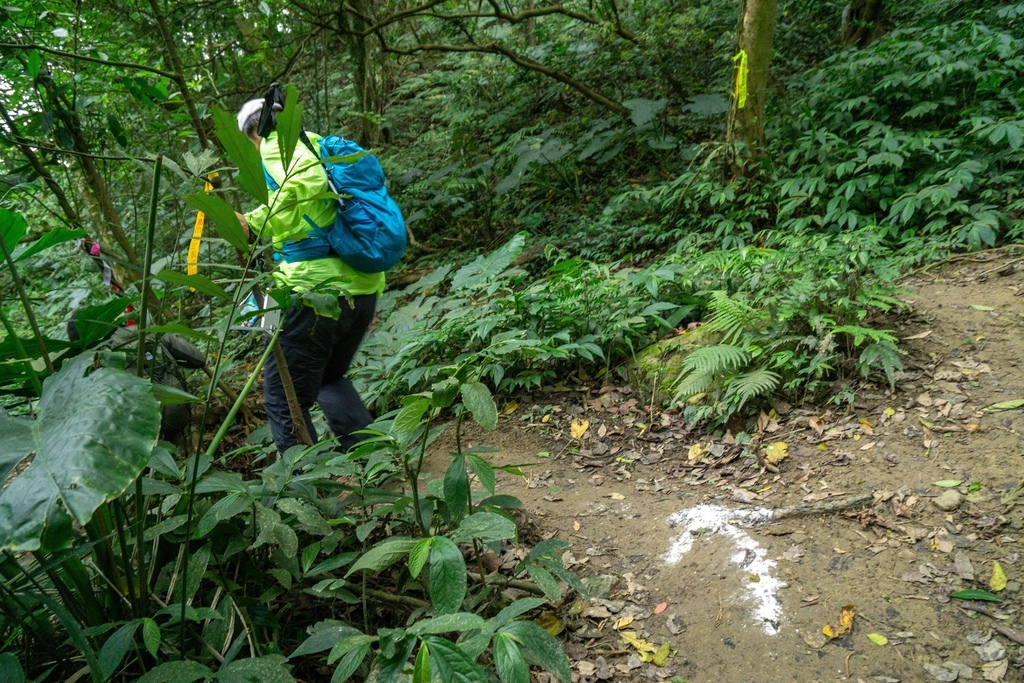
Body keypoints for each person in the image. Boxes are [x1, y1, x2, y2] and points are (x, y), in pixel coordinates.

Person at [236, 96, 384, 454]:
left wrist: (252, 222)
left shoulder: (275, 145)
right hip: (361, 288)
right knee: (329, 378)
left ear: (251, 133)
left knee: (283, 400)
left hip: (316, 292)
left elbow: (307, 181)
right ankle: (378, 464)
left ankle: (304, 494)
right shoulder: (315, 143)